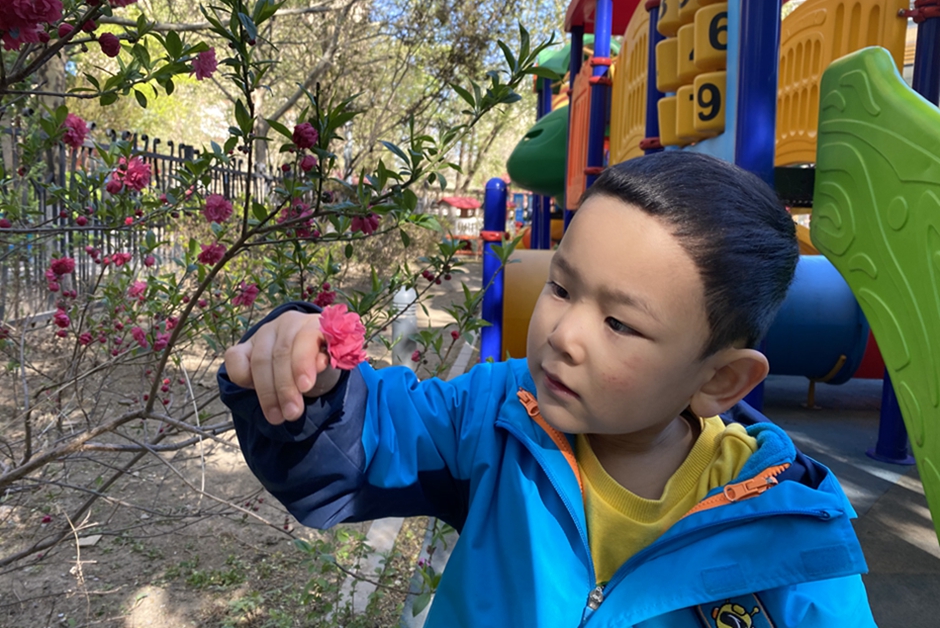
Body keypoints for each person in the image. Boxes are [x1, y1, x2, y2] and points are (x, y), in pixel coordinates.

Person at [220, 151, 877, 627]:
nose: (564, 334)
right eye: (561, 287)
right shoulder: (495, 419)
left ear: (718, 379)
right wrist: (312, 379)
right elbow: (358, 448)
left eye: (620, 323)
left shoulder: (792, 538)